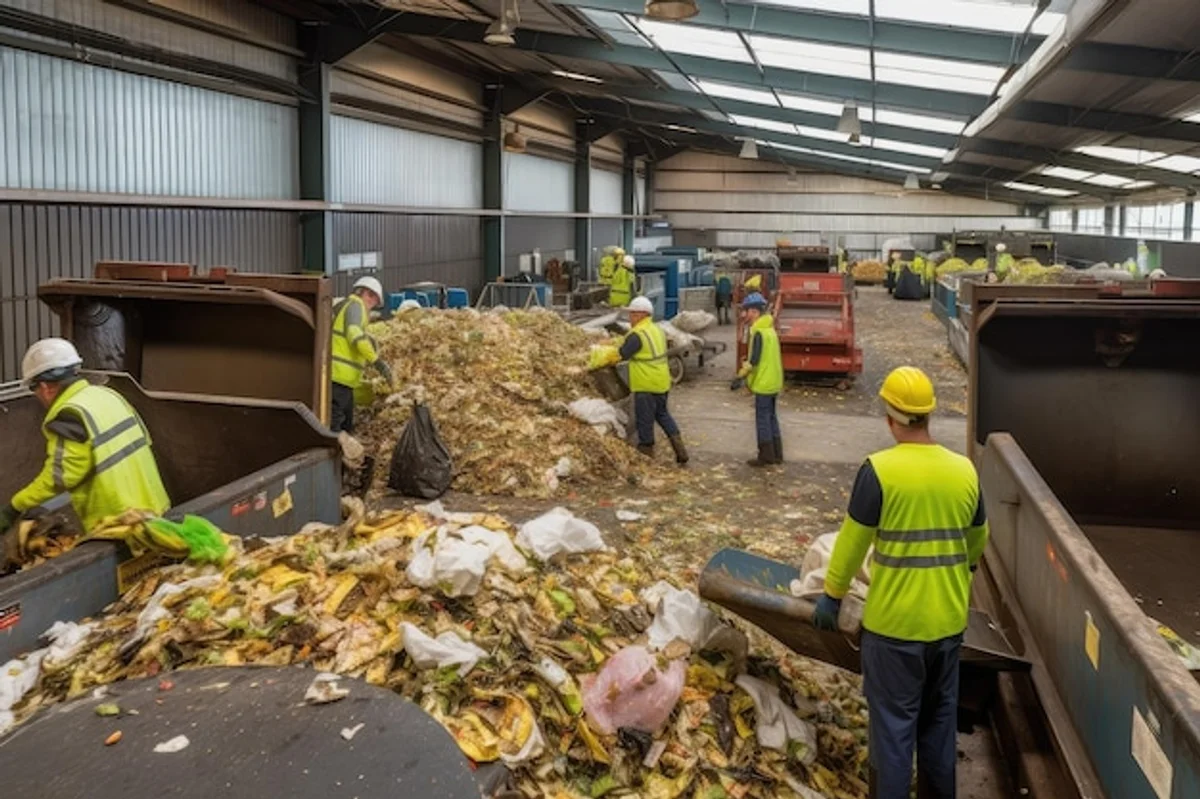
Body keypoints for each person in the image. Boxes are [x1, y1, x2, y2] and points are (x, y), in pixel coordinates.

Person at [813, 366, 989, 799]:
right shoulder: (964, 471)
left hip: (893, 633)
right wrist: (959, 576)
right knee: (938, 729)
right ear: (928, 415)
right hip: (947, 628)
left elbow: (851, 546)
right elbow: (977, 540)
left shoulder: (878, 471)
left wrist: (831, 598)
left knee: (893, 737)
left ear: (891, 416)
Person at [0, 338, 171, 560]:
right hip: (155, 509)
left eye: (35, 389)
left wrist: (15, 506)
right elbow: (144, 441)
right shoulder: (108, 396)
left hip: (121, 522)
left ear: (45, 387)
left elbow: (60, 477)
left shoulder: (69, 415)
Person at [618, 296, 688, 465]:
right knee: (663, 414)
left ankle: (646, 454)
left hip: (645, 383)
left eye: (633, 314)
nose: (630, 318)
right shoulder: (657, 330)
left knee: (644, 419)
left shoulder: (637, 334)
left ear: (641, 315)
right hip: (662, 381)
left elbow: (622, 354)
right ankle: (681, 450)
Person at [331, 276, 394, 434]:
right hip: (339, 377)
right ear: (362, 292)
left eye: (375, 301)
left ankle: (343, 454)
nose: (372, 303)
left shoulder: (345, 306)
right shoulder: (355, 306)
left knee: (346, 423)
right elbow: (354, 334)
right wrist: (377, 361)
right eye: (371, 296)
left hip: (344, 379)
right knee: (336, 424)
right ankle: (334, 455)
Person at [730, 293, 782, 467]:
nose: (746, 315)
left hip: (764, 382)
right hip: (774, 381)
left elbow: (754, 360)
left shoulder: (759, 333)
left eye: (747, 311)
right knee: (772, 417)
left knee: (762, 419)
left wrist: (740, 376)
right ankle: (777, 454)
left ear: (755, 311)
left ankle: (766, 456)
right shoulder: (770, 330)